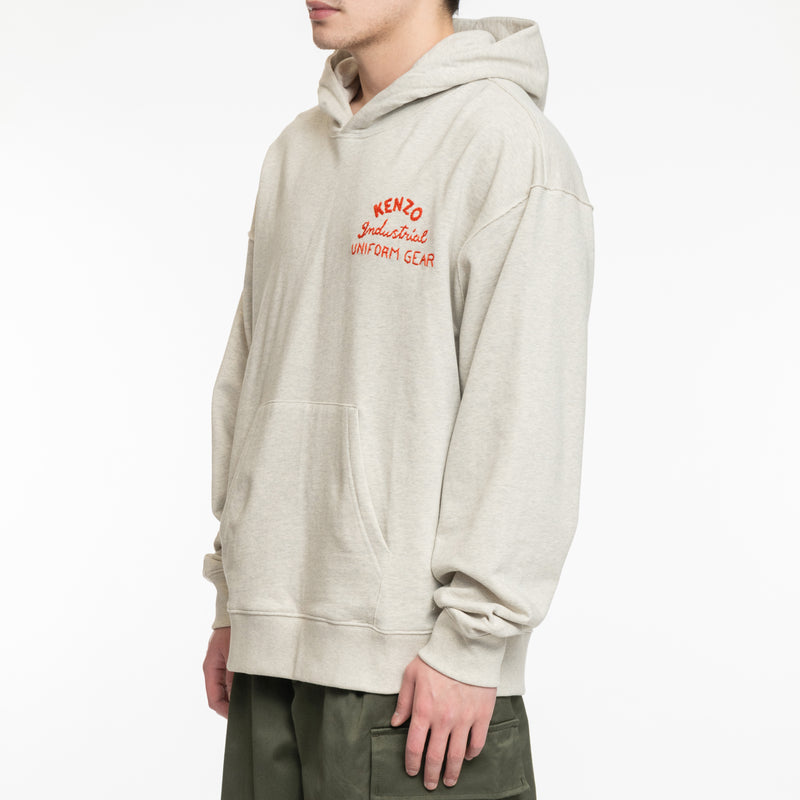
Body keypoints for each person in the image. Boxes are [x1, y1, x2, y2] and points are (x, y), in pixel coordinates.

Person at [202, 2, 594, 797]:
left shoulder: (505, 146)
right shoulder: (294, 152)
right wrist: (237, 600)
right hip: (267, 655)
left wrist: (471, 643)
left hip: (416, 677)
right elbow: (249, 378)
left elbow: (527, 413)